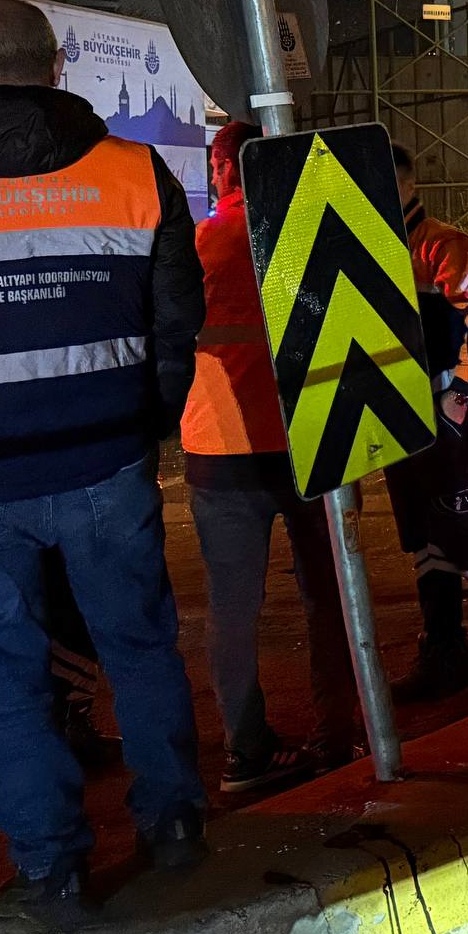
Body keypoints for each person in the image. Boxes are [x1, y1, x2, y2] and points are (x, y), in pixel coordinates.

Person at [0, 0, 208, 930]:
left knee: (7, 677)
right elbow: (173, 325)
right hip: (106, 462)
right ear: (57, 67)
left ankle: (54, 871)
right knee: (140, 648)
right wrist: (144, 424)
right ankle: (176, 823)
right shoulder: (136, 173)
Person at [179, 119, 361, 792]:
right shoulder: (303, 237)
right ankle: (337, 734)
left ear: (223, 168)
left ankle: (243, 752)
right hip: (306, 437)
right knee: (327, 595)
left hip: (218, 447)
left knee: (232, 608)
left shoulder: (196, 245)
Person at [381, 144, 468, 703]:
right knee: (425, 536)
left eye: (388, 185)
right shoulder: (372, 245)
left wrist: (461, 396)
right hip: (400, 412)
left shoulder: (441, 244)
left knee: (466, 536)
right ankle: (445, 651)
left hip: (444, 411)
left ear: (409, 186)